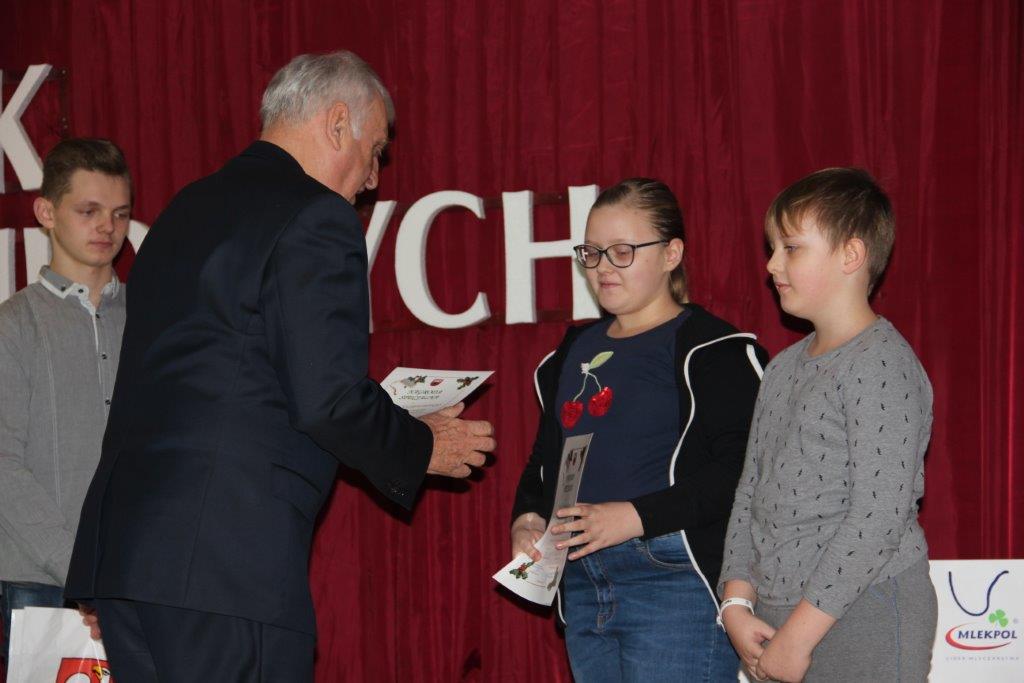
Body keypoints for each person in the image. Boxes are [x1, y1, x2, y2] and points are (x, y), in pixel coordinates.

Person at [65, 51, 496, 681]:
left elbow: (153, 389)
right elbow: (328, 401)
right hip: (226, 569)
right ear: (338, 123)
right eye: (375, 150)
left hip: (129, 563)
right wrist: (422, 445)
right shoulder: (317, 215)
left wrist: (105, 567)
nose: (372, 177)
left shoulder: (183, 210)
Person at [510, 178, 767, 681]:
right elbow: (545, 459)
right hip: (583, 580)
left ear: (672, 254)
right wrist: (528, 517)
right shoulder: (569, 353)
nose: (603, 267)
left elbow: (742, 471)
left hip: (674, 579)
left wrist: (634, 517)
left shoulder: (715, 350)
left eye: (623, 251)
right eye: (592, 252)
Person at [719, 168, 936, 682]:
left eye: (791, 248)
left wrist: (797, 637)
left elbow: (877, 517)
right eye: (772, 248)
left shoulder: (882, 364)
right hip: (776, 615)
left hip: (866, 611)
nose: (772, 264)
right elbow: (750, 492)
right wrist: (735, 603)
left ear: (850, 255)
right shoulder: (781, 368)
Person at [0, 138, 132, 662]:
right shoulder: (13, 326)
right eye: (88, 211)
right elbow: (3, 469)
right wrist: (80, 568)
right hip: (37, 581)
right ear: (46, 213)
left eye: (120, 214)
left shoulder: (150, 322)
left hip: (134, 578)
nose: (107, 227)